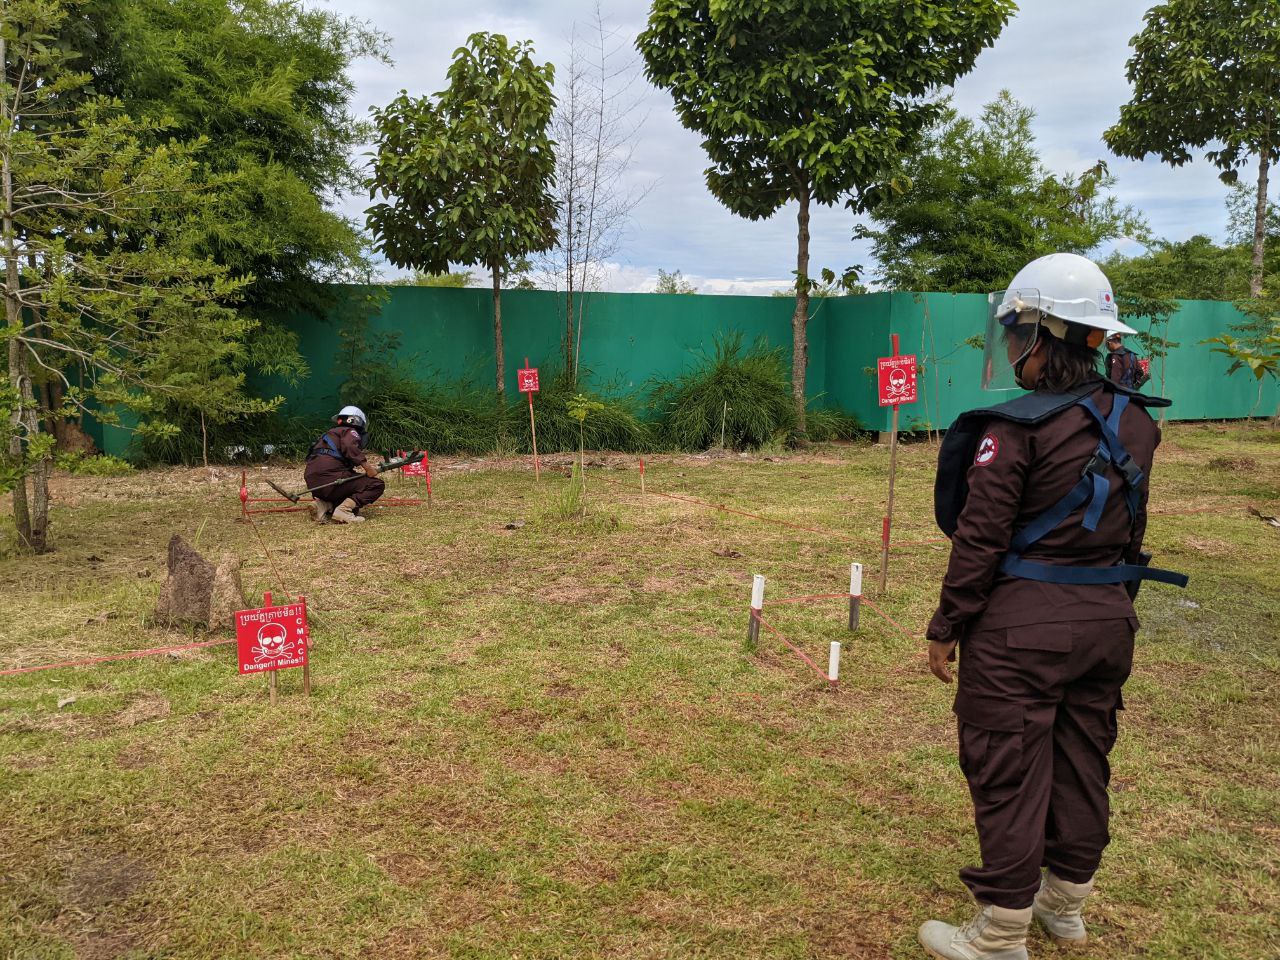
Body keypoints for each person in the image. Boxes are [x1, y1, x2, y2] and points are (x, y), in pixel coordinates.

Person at [920, 253, 1187, 960]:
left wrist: (946, 628)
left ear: (1042, 334)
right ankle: (1063, 905)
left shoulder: (1014, 429)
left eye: (1015, 333)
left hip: (1021, 632)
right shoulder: (1135, 423)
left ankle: (1001, 933)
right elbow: (1132, 527)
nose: (1011, 349)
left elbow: (979, 540)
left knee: (1006, 765)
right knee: (1082, 760)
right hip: (1108, 624)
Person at [304, 405, 384, 524]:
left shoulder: (329, 435)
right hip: (331, 479)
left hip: (314, 484)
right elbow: (350, 446)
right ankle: (343, 510)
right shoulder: (349, 431)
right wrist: (368, 468)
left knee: (353, 502)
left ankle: (323, 505)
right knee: (376, 484)